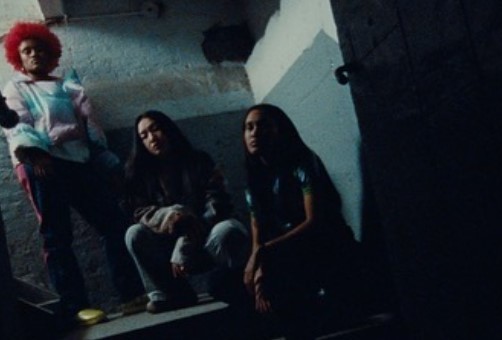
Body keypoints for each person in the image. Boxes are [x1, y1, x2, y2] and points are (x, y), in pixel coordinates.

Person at [0, 22, 145, 326]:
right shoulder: (16, 87)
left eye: (40, 48)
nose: (35, 54)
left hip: (81, 162)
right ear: (19, 58)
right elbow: (17, 124)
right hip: (43, 163)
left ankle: (132, 294)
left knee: (113, 223)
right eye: (27, 51)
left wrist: (105, 162)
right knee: (56, 236)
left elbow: (90, 125)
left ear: (52, 53)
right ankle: (75, 305)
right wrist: (36, 154)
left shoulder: (69, 85)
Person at [242, 103, 358, 339]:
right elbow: (258, 233)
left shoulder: (302, 163)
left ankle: (322, 312)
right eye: (249, 127)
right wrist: (256, 267)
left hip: (322, 246)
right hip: (281, 253)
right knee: (224, 281)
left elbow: (314, 222)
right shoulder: (254, 182)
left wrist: (265, 254)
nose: (254, 133)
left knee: (279, 273)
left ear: (280, 130)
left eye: (263, 125)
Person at [124, 110, 249, 313]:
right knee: (134, 234)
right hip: (168, 250)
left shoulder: (199, 161)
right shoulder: (140, 174)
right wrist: (174, 215)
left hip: (206, 242)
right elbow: (140, 213)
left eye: (155, 129)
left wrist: (185, 241)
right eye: (143, 135)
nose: (151, 138)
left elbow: (217, 204)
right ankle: (172, 294)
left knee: (229, 228)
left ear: (168, 129)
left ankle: (245, 285)